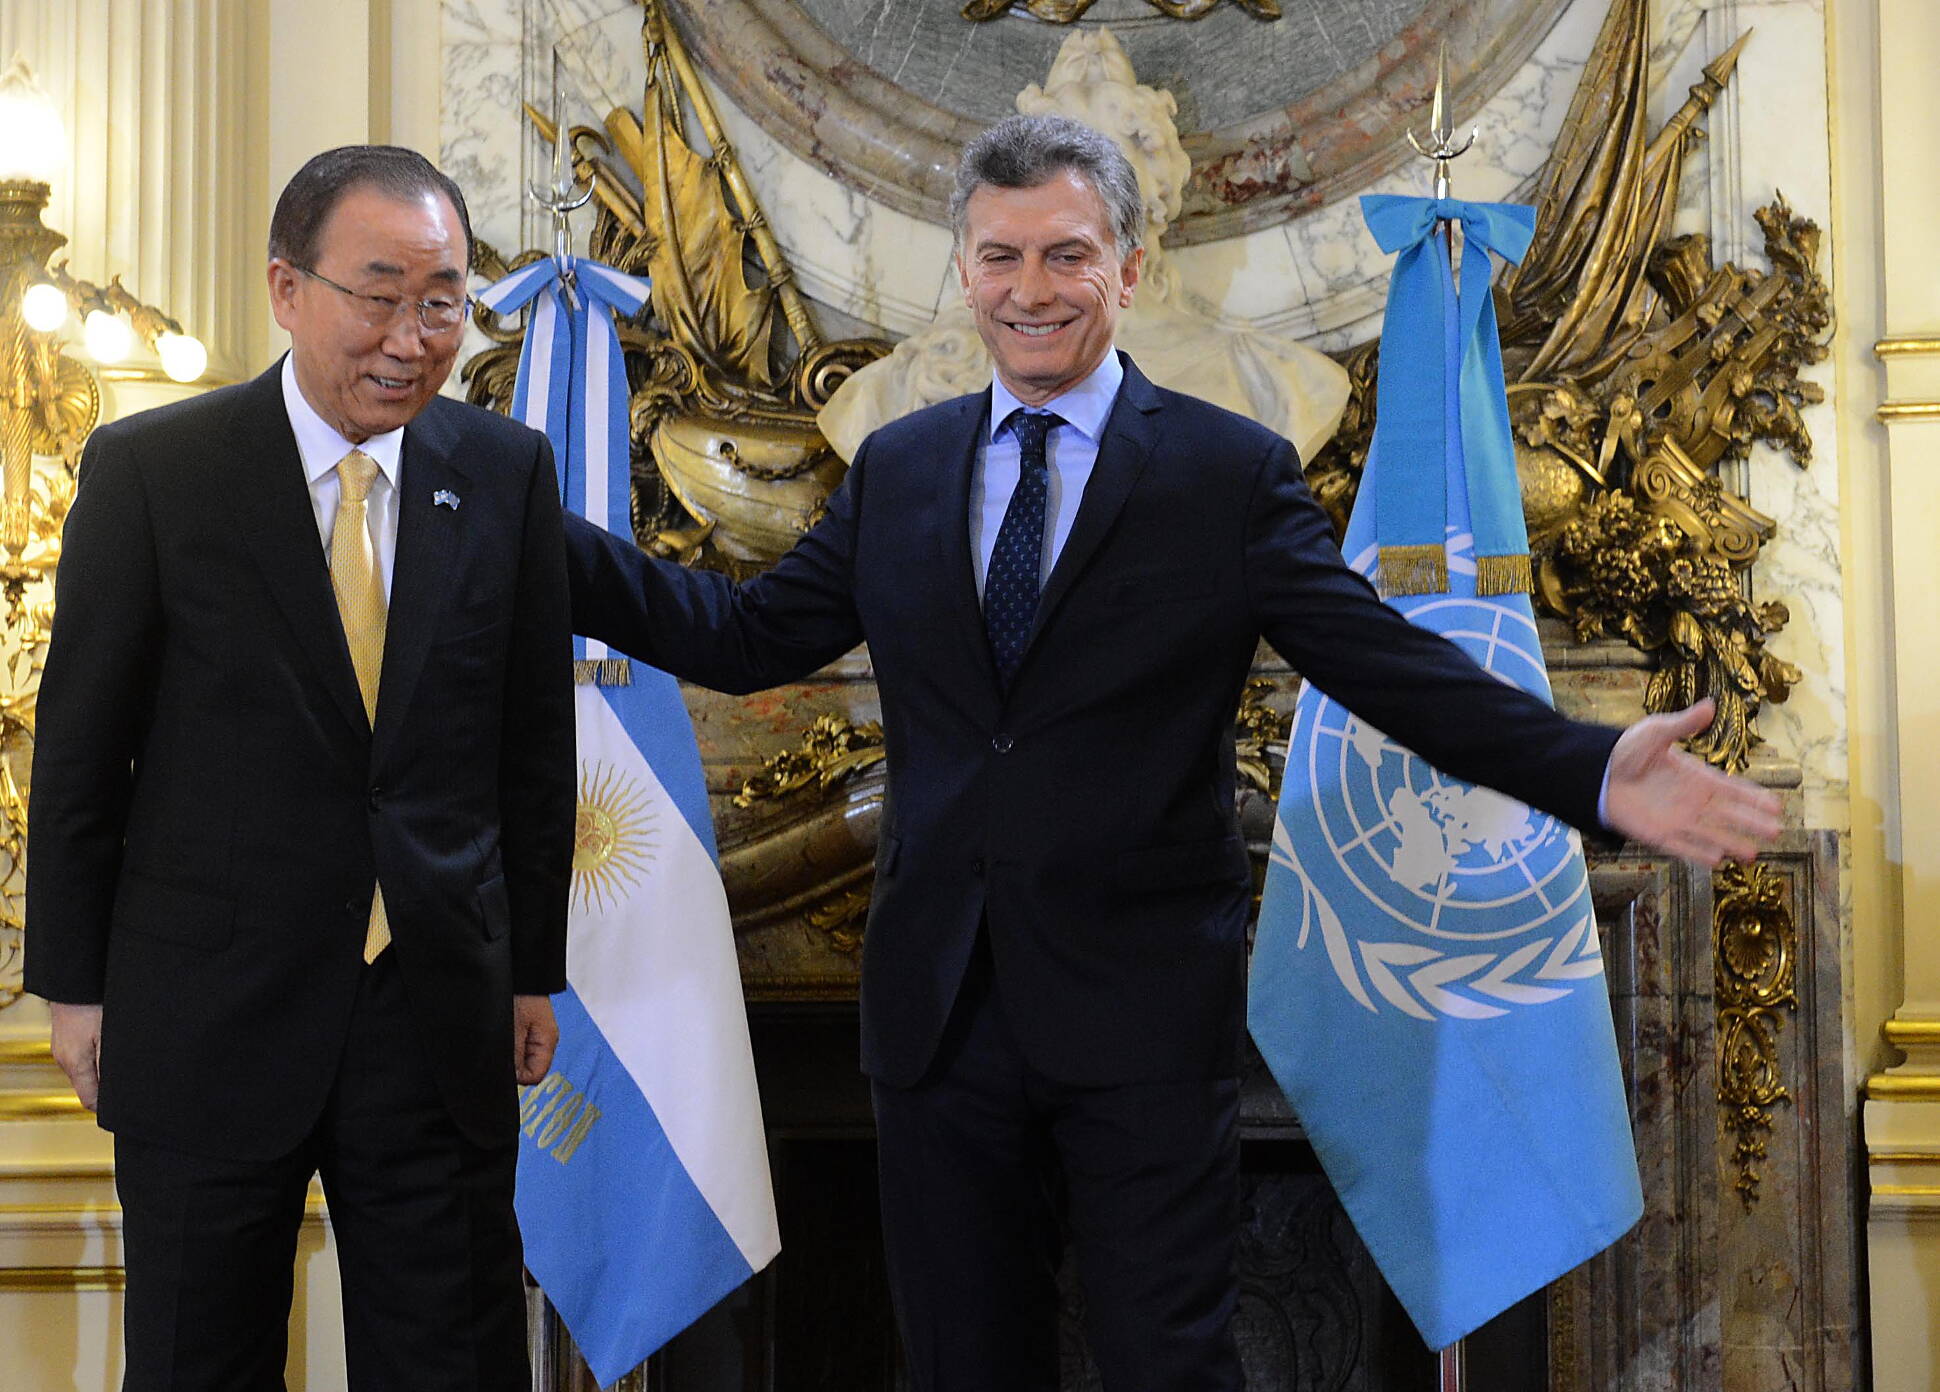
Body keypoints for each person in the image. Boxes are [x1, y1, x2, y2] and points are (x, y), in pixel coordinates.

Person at [563, 114, 1780, 1390]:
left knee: (1169, 1369)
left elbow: (1384, 667)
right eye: (998, 257)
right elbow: (749, 634)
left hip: (1139, 1017)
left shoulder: (1225, 472)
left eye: (1065, 255)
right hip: (934, 1018)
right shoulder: (896, 468)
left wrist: (1585, 768)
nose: (1029, 291)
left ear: (1128, 269)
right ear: (962, 267)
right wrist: (541, 538)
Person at [26, 146, 575, 1390]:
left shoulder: (504, 475)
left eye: (442, 299)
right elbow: (80, 756)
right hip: (205, 1014)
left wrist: (531, 967)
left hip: (433, 1017)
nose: (411, 336)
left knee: (454, 1361)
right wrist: (71, 987)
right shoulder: (157, 474)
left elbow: (532, 751)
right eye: (377, 295)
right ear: (286, 288)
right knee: (197, 1361)